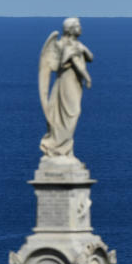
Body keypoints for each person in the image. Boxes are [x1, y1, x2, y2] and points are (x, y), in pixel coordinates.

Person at [39, 17, 93, 158]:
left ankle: (65, 150)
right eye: (77, 26)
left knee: (73, 114)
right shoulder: (63, 44)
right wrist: (87, 77)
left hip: (75, 84)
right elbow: (62, 63)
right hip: (66, 83)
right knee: (70, 113)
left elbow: (91, 58)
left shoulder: (77, 44)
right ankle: (59, 149)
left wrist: (82, 49)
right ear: (70, 29)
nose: (80, 28)